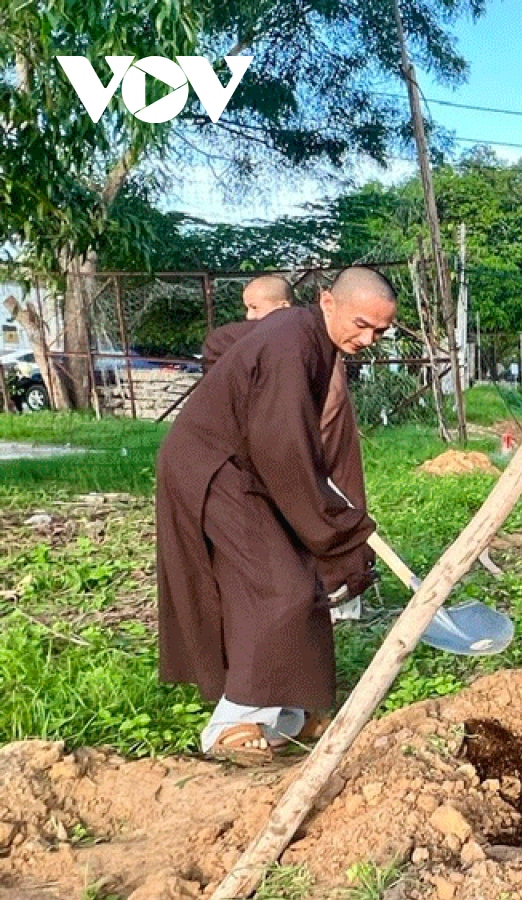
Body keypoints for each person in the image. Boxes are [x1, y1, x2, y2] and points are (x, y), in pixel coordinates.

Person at [156, 267, 397, 764]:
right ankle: (230, 723)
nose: (367, 339)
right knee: (280, 586)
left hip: (245, 465)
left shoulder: (303, 333)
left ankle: (285, 714)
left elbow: (228, 347)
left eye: (379, 331)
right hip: (215, 467)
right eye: (361, 325)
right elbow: (287, 452)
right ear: (327, 301)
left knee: (295, 577)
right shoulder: (292, 343)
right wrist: (339, 533)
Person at [202, 275, 365, 505]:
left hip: (315, 457)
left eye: (255, 307)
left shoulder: (305, 348)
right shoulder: (281, 344)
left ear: (283, 307)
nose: (249, 317)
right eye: (247, 308)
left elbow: (328, 410)